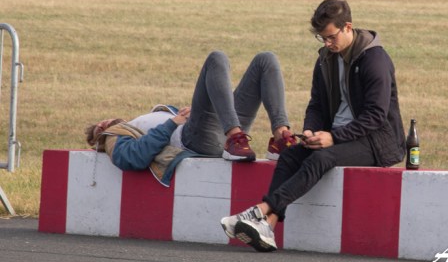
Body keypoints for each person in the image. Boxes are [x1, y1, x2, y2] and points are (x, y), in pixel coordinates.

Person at [220, 0, 405, 252]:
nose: (327, 43)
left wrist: (334, 138)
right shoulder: (325, 59)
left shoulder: (375, 60)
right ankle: (268, 227)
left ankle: (259, 211)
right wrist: (310, 130)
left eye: (331, 37)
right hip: (338, 135)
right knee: (290, 156)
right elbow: (316, 104)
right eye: (322, 38)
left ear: (347, 27)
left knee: (320, 158)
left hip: (376, 141)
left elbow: (376, 116)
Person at [85, 51, 299, 185]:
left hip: (212, 127)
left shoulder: (139, 121)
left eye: (100, 122)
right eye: (98, 129)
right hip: (196, 140)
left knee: (265, 60)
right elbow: (133, 158)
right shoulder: (112, 137)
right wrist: (172, 124)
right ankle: (234, 138)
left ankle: (280, 137)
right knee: (216, 59)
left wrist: (186, 114)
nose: (101, 124)